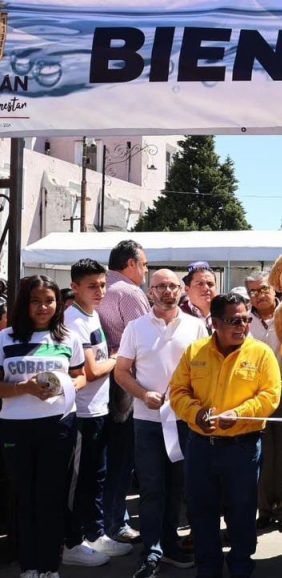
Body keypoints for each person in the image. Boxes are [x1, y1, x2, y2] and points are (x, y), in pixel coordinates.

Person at [169, 293, 282, 578]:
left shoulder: (261, 353)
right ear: (215, 323)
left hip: (242, 448)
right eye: (234, 320)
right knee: (201, 511)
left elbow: (271, 395)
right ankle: (208, 569)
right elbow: (178, 391)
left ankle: (241, 567)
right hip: (200, 447)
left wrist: (240, 413)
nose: (242, 326)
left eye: (246, 319)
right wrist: (195, 413)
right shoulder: (195, 352)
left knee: (242, 512)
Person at [115, 269, 207, 578]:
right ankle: (152, 550)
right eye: (159, 286)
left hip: (185, 422)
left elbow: (205, 372)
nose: (166, 291)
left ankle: (171, 544)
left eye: (171, 286)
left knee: (179, 487)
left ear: (181, 290)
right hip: (148, 423)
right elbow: (121, 371)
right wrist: (143, 394)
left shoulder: (197, 327)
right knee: (153, 488)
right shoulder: (135, 327)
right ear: (149, 291)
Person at [0, 276, 85, 577]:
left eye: (49, 301)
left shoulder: (68, 338)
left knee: (51, 498)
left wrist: (66, 385)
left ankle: (50, 567)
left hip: (58, 425)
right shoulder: (5, 338)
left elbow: (80, 375)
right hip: (16, 427)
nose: (43, 307)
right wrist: (24, 388)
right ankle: (29, 566)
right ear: (24, 303)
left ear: (57, 304)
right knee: (25, 498)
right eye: (36, 301)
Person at [62, 260, 134, 567]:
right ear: (75, 287)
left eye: (103, 284)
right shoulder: (74, 320)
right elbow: (90, 370)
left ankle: (94, 534)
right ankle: (71, 543)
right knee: (80, 481)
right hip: (81, 413)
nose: (100, 291)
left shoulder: (90, 315)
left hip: (99, 410)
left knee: (97, 477)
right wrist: (119, 358)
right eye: (92, 286)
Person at [96, 239, 149, 547]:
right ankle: (116, 523)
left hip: (105, 383)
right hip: (125, 385)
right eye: (143, 265)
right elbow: (145, 341)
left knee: (109, 459)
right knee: (121, 458)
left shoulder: (104, 289)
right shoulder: (128, 292)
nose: (144, 270)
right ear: (130, 264)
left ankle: (108, 521)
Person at [244, 270, 282, 534]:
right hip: (256, 395)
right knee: (262, 453)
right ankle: (264, 510)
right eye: (253, 292)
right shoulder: (243, 319)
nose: (258, 296)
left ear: (274, 289)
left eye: (263, 289)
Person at [180, 261, 218, 332]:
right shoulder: (178, 316)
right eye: (200, 284)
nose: (206, 288)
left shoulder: (224, 315)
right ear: (187, 289)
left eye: (210, 284)